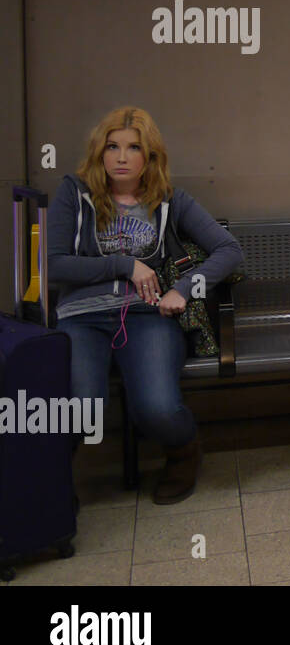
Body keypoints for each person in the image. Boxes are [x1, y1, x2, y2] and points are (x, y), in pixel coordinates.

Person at [48, 107, 243, 504]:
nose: (121, 157)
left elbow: (229, 250)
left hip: (147, 316)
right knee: (83, 407)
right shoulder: (75, 192)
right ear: (99, 153)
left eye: (133, 148)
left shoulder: (169, 199)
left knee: (156, 407)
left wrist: (185, 289)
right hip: (82, 318)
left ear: (150, 157)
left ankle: (184, 454)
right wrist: (125, 264)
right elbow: (53, 265)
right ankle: (43, 489)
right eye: (112, 147)